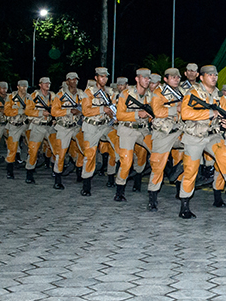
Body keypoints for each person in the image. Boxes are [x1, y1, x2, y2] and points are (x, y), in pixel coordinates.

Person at [178, 65, 226, 218]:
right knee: (190, 171)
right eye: (210, 75)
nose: (214, 77)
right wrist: (210, 113)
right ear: (201, 77)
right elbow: (185, 113)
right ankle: (184, 206)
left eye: (215, 74)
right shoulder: (193, 93)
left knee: (223, 154)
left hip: (212, 135)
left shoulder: (219, 96)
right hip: (194, 136)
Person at [147, 68, 185, 211]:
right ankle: (152, 198)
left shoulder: (182, 92)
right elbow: (157, 112)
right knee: (157, 166)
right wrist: (177, 109)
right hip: (163, 133)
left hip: (179, 131)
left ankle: (176, 171)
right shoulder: (158, 92)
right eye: (173, 77)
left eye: (178, 77)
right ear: (166, 79)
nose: (176, 79)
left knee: (196, 145)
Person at [113, 68, 153, 201]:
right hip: (127, 130)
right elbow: (119, 115)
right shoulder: (125, 94)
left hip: (143, 130)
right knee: (126, 161)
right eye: (144, 78)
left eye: (148, 78)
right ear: (137, 79)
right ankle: (119, 191)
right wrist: (137, 114)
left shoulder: (150, 95)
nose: (147, 80)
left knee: (157, 151)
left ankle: (141, 184)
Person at [79, 67, 117, 196]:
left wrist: (114, 115)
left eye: (106, 77)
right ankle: (86, 185)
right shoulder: (89, 92)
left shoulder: (110, 92)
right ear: (96, 78)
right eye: (101, 77)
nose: (104, 79)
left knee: (117, 143)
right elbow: (85, 111)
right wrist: (102, 109)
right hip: (92, 126)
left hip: (105, 125)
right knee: (90, 155)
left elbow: (113, 109)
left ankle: (114, 176)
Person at [50, 72, 86, 190]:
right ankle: (57, 180)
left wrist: (81, 111)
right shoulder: (60, 95)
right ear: (67, 81)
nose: (74, 81)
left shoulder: (81, 94)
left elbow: (87, 107)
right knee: (60, 153)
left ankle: (80, 173)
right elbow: (54, 112)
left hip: (76, 126)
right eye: (71, 79)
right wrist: (69, 111)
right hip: (63, 127)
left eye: (75, 79)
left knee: (84, 149)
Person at [24, 77, 57, 184]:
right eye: (45, 83)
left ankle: (56, 171)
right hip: (37, 126)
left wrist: (55, 118)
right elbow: (28, 111)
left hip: (50, 126)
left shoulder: (53, 95)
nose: (47, 85)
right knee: (33, 151)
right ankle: (29, 173)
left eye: (49, 83)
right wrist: (41, 113)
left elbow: (57, 108)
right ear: (40, 85)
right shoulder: (33, 96)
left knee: (56, 150)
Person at [4, 80, 30, 179]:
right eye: (22, 86)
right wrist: (20, 111)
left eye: (26, 86)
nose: (24, 88)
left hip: (26, 124)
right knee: (12, 148)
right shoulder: (11, 97)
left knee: (32, 146)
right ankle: (9, 170)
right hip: (14, 125)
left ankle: (30, 168)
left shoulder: (29, 97)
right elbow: (7, 111)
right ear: (18, 87)